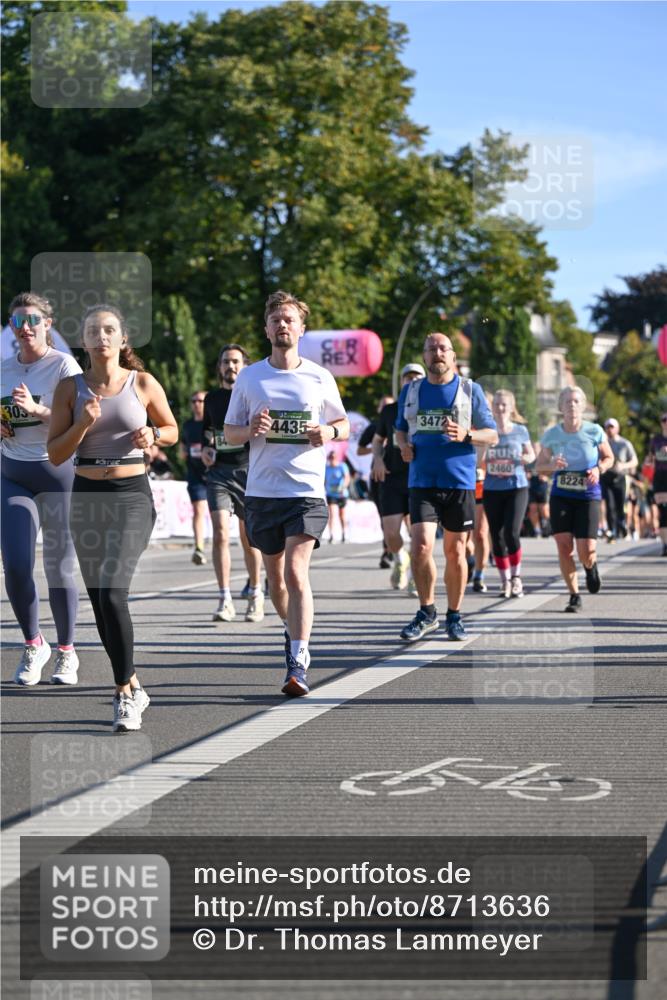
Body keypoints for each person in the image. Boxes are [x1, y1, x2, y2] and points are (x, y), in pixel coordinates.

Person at [47, 304, 178, 731]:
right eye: (93, 331)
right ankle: (135, 683)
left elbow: (172, 429)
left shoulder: (142, 382)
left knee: (113, 591)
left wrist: (154, 434)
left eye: (110, 330)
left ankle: (123, 693)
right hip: (86, 497)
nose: (101, 336)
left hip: (130, 495)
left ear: (124, 340)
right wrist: (83, 425)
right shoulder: (70, 389)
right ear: (83, 342)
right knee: (101, 601)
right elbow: (56, 453)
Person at [224, 290, 349, 696]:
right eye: (276, 319)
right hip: (262, 492)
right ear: (266, 329)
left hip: (306, 491)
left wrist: (328, 431)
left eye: (289, 319)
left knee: (296, 573)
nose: (282, 325)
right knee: (276, 581)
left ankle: (298, 658)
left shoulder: (318, 376)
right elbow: (230, 433)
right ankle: (291, 629)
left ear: (301, 328)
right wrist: (251, 430)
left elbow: (342, 424)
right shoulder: (250, 377)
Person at [394, 332, 497, 642]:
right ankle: (427, 611)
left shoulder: (470, 390)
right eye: (431, 349)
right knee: (421, 546)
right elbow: (400, 431)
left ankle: (454, 614)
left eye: (443, 348)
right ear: (425, 357)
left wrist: (467, 434)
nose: (437, 353)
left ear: (453, 357)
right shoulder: (411, 391)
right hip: (422, 480)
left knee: (454, 551)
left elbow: (492, 435)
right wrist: (403, 447)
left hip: (459, 481)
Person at [2, 293, 81, 685]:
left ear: (48, 324)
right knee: (16, 565)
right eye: (17, 322)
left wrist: (37, 411)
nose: (25, 328)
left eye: (33, 320)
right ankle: (34, 644)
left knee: (59, 566)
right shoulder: (2, 369)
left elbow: (82, 417)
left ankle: (67, 651)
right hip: (12, 472)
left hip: (57, 473)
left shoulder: (63, 365)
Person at [201, 344, 265, 623]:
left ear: (245, 366)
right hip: (219, 473)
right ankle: (225, 598)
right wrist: (206, 448)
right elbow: (208, 433)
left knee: (249, 538)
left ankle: (255, 592)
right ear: (220, 367)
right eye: (226, 361)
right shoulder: (212, 399)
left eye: (236, 362)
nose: (231, 367)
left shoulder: (253, 396)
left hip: (249, 470)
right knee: (220, 534)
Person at [536, 386, 614, 612]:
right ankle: (574, 595)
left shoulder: (594, 431)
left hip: (588, 494)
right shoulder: (552, 434)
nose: (572, 405)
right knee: (564, 547)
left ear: (583, 405)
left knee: (587, 549)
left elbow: (609, 457)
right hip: (561, 494)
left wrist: (599, 469)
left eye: (576, 401)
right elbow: (539, 467)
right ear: (560, 407)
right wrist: (551, 466)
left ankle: (590, 567)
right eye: (567, 402)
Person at [371, 365, 424, 590]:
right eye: (407, 378)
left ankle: (415, 575)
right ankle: (401, 558)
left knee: (419, 536)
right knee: (391, 532)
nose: (411, 381)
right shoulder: (390, 411)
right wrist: (378, 460)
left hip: (420, 477)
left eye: (416, 377)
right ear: (402, 382)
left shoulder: (428, 408)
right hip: (393, 478)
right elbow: (376, 441)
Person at [482, 389, 536, 598]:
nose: (500, 408)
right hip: (492, 489)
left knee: (511, 532)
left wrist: (525, 459)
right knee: (496, 536)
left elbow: (531, 454)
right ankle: (504, 580)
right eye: (497, 404)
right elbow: (480, 460)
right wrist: (487, 448)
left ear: (511, 407)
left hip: (516, 486)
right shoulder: (488, 431)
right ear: (492, 407)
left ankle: (516, 578)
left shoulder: (520, 431)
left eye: (504, 404)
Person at [357, 397, 393, 568]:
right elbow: (360, 449)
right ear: (379, 408)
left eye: (389, 404)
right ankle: (388, 551)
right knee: (384, 515)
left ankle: (402, 551)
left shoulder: (400, 420)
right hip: (378, 474)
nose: (386, 407)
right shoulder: (374, 427)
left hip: (401, 473)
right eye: (383, 404)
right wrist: (377, 446)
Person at [181, 390, 208, 564]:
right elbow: (183, 447)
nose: (196, 404)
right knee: (198, 510)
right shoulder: (188, 425)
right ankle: (199, 547)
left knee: (216, 515)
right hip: (195, 475)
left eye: (200, 401)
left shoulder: (211, 424)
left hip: (214, 474)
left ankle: (221, 543)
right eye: (193, 401)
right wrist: (183, 451)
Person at [600, 418, 638, 542]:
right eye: (607, 427)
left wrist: (623, 465)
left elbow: (634, 461)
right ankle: (611, 530)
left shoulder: (625, 444)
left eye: (612, 427)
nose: (610, 430)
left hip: (620, 477)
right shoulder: (602, 443)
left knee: (620, 505)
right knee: (609, 504)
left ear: (617, 429)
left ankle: (622, 525)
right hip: (606, 477)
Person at [646, 412, 667, 556]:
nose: (666, 422)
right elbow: (650, 459)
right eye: (664, 420)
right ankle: (665, 545)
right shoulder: (656, 440)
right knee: (663, 512)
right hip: (660, 477)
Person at [325, 449, 351, 542]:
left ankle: (344, 533)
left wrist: (343, 486)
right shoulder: (326, 468)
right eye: (330, 457)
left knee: (342, 515)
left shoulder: (342, 466)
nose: (332, 459)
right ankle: (331, 535)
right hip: (330, 494)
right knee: (331, 513)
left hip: (341, 494)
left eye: (334, 457)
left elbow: (347, 477)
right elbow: (324, 480)